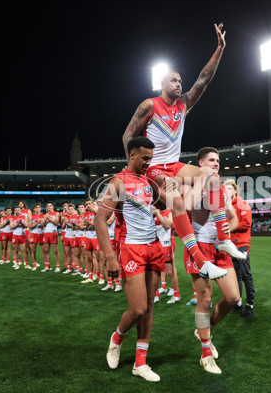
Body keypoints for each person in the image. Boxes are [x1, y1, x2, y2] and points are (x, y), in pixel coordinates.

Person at [121, 23, 245, 280]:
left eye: (180, 80)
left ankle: (223, 239)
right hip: (155, 168)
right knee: (177, 200)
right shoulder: (149, 105)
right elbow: (128, 135)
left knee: (211, 176)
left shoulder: (183, 104)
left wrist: (220, 48)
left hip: (175, 164)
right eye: (174, 80)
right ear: (162, 83)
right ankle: (200, 260)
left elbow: (204, 78)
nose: (179, 83)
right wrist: (134, 171)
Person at [96, 136, 164, 382]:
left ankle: (140, 363)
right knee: (138, 308)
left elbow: (166, 204)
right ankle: (117, 337)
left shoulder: (147, 180)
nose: (148, 163)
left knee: (149, 308)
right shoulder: (119, 181)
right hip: (131, 248)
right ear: (132, 155)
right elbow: (99, 220)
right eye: (145, 158)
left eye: (151, 159)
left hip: (154, 246)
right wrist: (110, 258)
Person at [183, 146, 241, 374]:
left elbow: (233, 217)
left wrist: (230, 227)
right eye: (211, 160)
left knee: (233, 297)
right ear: (200, 163)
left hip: (219, 247)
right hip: (198, 245)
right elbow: (187, 206)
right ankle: (206, 354)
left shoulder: (221, 188)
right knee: (205, 299)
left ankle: (206, 328)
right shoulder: (189, 183)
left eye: (218, 160)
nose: (216, 163)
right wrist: (201, 180)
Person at [223, 180, 255, 318]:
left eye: (230, 188)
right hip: (230, 245)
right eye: (225, 189)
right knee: (236, 276)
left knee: (246, 275)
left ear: (235, 191)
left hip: (242, 244)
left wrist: (230, 227)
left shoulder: (242, 204)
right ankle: (238, 302)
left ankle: (250, 305)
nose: (227, 191)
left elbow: (246, 224)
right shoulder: (226, 206)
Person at [152, 207, 181, 304]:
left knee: (169, 269)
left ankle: (176, 294)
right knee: (154, 269)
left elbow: (168, 225)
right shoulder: (152, 210)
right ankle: (156, 295)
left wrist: (158, 214)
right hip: (155, 243)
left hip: (166, 243)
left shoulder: (169, 211)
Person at [41, 202, 60, 271]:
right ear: (46, 208)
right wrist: (45, 219)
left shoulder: (56, 213)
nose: (49, 207)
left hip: (53, 233)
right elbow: (43, 225)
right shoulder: (45, 215)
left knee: (55, 250)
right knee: (46, 250)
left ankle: (57, 266)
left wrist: (49, 218)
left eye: (50, 206)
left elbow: (56, 223)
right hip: (46, 233)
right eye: (48, 206)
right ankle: (47, 266)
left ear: (53, 207)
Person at [28, 203, 44, 270]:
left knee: (44, 251)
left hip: (42, 234)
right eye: (36, 207)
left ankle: (46, 266)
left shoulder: (44, 216)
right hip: (34, 234)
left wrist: (42, 224)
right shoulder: (31, 216)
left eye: (39, 207)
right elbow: (30, 227)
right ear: (34, 209)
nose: (37, 209)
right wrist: (37, 223)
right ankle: (34, 265)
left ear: (40, 208)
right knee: (33, 250)